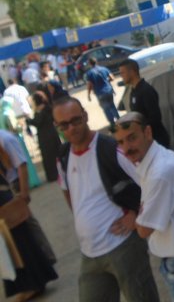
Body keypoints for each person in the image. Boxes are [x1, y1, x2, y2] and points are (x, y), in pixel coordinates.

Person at [52, 97, 160, 302]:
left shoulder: (112, 149)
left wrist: (136, 215)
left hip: (124, 247)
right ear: (56, 126)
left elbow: (151, 183)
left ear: (85, 116)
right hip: (90, 253)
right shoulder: (63, 155)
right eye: (64, 125)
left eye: (75, 120)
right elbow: (67, 190)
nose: (71, 128)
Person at [114, 112, 174, 301]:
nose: (126, 148)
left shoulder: (160, 173)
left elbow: (144, 230)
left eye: (132, 138)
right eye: (121, 142)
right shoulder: (159, 158)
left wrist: (134, 219)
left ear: (147, 133)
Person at [0, 147, 57, 301]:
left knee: (17, 245)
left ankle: (32, 285)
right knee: (19, 242)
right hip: (6, 200)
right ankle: (35, 282)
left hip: (4, 204)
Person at [0, 129, 56, 265]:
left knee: (27, 221)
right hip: (6, 187)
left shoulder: (6, 139)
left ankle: (47, 256)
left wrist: (24, 192)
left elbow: (21, 165)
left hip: (13, 185)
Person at [119, 59, 170, 147]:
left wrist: (136, 127)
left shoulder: (146, 90)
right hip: (145, 141)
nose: (121, 76)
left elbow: (155, 117)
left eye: (123, 73)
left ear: (132, 72)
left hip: (156, 140)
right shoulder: (134, 91)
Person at [27, 92, 61, 182]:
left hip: (45, 136)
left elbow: (37, 122)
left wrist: (28, 120)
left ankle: (53, 175)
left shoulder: (41, 111)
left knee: (49, 156)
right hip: (52, 133)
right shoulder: (48, 108)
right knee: (56, 153)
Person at [85, 58, 119, 132]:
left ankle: (113, 124)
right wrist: (106, 81)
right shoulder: (104, 69)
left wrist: (88, 94)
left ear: (89, 64)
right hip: (108, 90)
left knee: (106, 109)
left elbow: (89, 84)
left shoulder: (89, 73)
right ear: (96, 62)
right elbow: (112, 78)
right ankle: (120, 121)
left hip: (99, 92)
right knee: (112, 106)